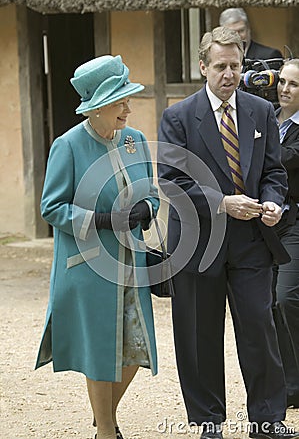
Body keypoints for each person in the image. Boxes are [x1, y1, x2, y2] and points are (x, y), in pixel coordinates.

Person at [158, 26, 298, 439]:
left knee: (260, 328)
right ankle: (208, 423)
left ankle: (268, 420)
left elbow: (274, 172)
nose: (229, 74)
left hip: (252, 241)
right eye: (220, 66)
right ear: (203, 67)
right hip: (197, 244)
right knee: (200, 338)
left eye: (235, 66)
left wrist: (273, 201)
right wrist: (222, 203)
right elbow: (170, 181)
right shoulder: (177, 117)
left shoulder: (260, 112)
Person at [35, 55, 160, 439]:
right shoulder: (67, 145)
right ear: (97, 107)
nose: (127, 107)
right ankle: (107, 429)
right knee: (99, 349)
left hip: (130, 262)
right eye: (119, 100)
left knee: (137, 348)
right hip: (87, 266)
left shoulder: (135, 140)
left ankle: (104, 413)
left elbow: (152, 193)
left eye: (127, 99)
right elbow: (51, 207)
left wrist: (146, 208)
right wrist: (101, 220)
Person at [272, 58, 299, 410]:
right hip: (268, 224)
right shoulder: (267, 119)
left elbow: (284, 158)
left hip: (296, 223)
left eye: (294, 84)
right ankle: (289, 386)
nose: (284, 88)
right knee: (270, 306)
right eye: (282, 81)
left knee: (286, 297)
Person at [219, 7, 283, 61]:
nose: (238, 36)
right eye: (232, 33)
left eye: (241, 31)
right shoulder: (219, 57)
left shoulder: (270, 56)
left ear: (248, 29)